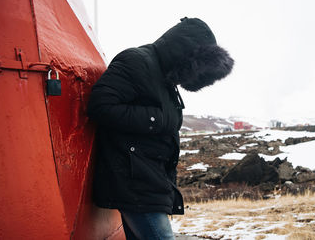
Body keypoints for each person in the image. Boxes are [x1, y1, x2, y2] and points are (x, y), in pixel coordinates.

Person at [87, 17, 234, 240]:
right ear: (184, 53)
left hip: (149, 182)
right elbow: (100, 105)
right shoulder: (136, 61)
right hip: (136, 183)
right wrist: (156, 119)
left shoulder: (165, 80)